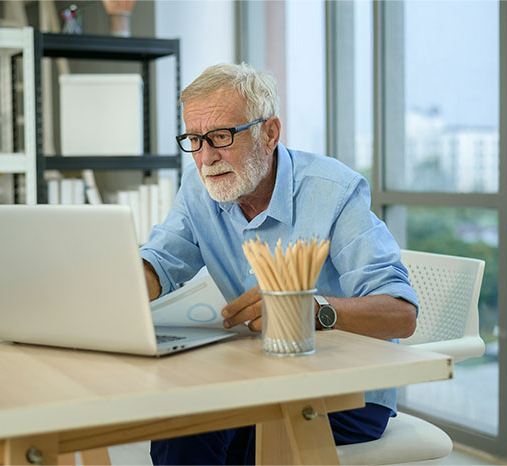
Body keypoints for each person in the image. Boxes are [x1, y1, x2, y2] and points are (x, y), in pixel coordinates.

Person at [139, 63, 418, 465]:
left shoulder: (333, 192)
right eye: (194, 139)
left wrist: (307, 310)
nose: (206, 157)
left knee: (227, 440)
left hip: (343, 393)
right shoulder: (198, 189)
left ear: (269, 133)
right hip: (247, 379)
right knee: (178, 428)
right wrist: (126, 288)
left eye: (221, 136)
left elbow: (400, 315)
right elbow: (161, 261)